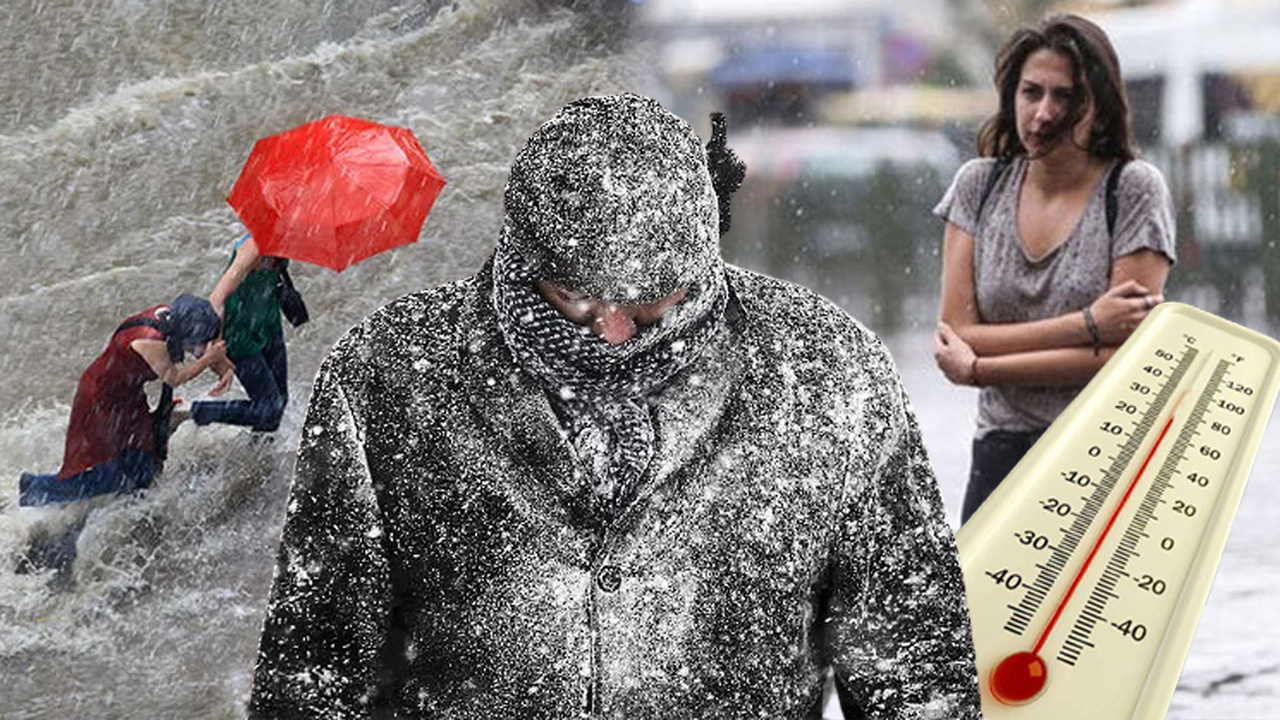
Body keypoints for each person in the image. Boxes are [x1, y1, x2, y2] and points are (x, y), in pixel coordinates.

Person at [248, 93, 980, 719]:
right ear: (523, 256)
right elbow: (316, 662)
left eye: (656, 304)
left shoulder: (828, 369)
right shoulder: (387, 374)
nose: (617, 332)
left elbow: (912, 661)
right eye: (576, 299)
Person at [932, 14, 1176, 524]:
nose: (1043, 113)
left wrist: (982, 368)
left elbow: (1122, 359)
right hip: (1000, 454)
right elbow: (956, 331)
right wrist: (1087, 325)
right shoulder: (978, 186)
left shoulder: (1132, 190)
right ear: (1010, 96)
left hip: (1104, 452)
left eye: (1065, 96)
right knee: (979, 606)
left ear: (1098, 104)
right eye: (1031, 92)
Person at [18, 294, 230, 506]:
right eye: (200, 341)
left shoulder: (174, 318)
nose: (203, 346)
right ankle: (36, 489)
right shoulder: (149, 340)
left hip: (127, 394)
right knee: (114, 471)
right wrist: (209, 359)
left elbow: (201, 347)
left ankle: (129, 505)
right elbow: (175, 378)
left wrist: (223, 368)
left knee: (144, 459)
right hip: (101, 400)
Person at [183, 234, 290, 432]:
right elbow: (218, 297)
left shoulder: (285, 242)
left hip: (269, 328)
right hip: (239, 336)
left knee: (279, 402)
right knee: (269, 408)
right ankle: (188, 412)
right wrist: (217, 349)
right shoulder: (253, 248)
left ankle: (258, 455)